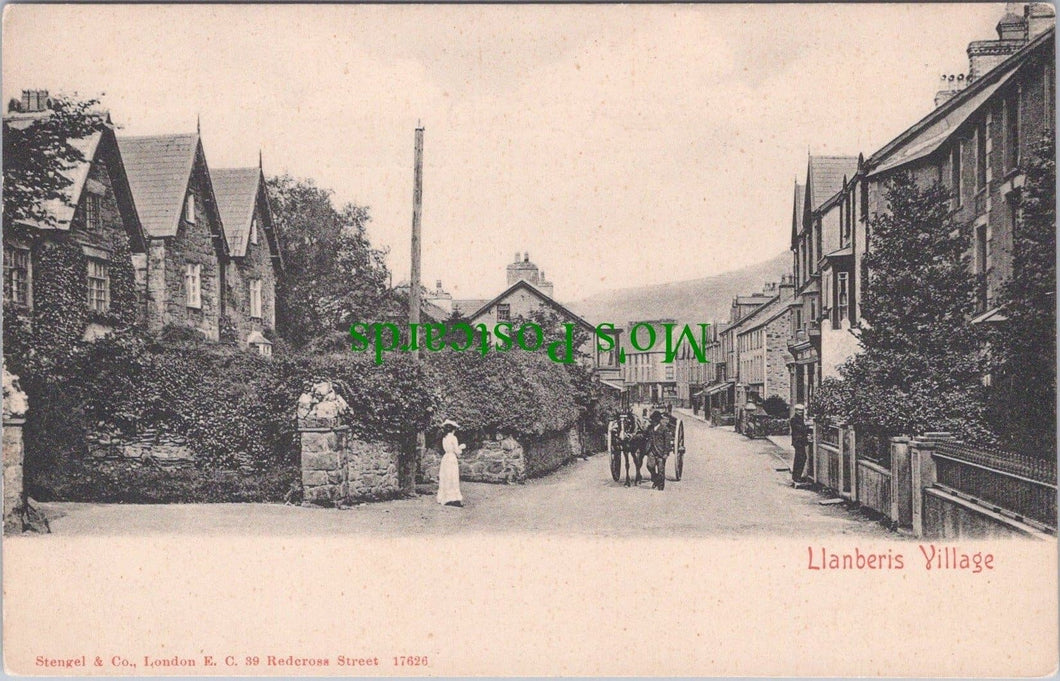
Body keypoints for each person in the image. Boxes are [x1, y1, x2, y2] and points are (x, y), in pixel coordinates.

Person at [437, 419, 466, 507]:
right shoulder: (453, 438)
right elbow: (457, 451)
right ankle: (453, 499)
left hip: (445, 458)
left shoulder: (444, 438)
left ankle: (445, 497)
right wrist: (461, 447)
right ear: (453, 429)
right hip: (451, 458)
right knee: (452, 477)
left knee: (446, 477)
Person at [644, 410, 669, 491]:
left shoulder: (664, 428)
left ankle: (661, 486)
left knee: (661, 469)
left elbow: (667, 442)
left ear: (657, 420)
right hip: (651, 450)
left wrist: (666, 453)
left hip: (660, 451)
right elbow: (644, 436)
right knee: (649, 466)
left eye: (654, 420)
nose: (652, 421)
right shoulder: (650, 428)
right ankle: (655, 478)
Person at [789, 404, 810, 483]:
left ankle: (796, 476)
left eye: (801, 410)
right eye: (798, 410)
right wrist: (806, 427)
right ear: (796, 410)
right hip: (798, 441)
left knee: (800, 458)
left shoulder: (800, 419)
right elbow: (801, 429)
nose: (800, 412)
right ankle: (796, 477)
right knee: (801, 458)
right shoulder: (794, 419)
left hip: (800, 441)